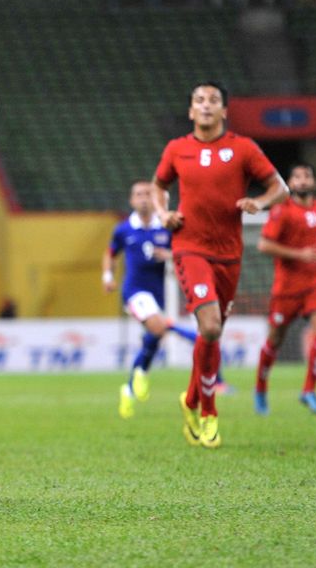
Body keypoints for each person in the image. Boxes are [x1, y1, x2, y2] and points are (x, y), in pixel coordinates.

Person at [151, 81, 288, 448]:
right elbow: (158, 186)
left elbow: (280, 188)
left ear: (225, 111)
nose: (206, 105)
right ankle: (209, 414)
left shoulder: (243, 148)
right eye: (199, 100)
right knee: (210, 326)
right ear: (191, 111)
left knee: (211, 334)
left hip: (229, 254)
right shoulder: (177, 149)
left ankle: (190, 400)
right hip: (189, 247)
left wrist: (260, 202)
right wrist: (163, 213)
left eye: (213, 100)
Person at [104, 180, 205, 419]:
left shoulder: (165, 227)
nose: (143, 199)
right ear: (132, 200)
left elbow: (183, 253)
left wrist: (168, 255)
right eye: (139, 195)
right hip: (134, 291)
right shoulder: (124, 229)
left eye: (148, 194)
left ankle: (130, 387)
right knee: (159, 326)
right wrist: (107, 276)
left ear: (156, 199)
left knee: (153, 339)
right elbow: (110, 253)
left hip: (158, 294)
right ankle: (193, 336)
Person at [254, 163, 316, 416]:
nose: (302, 180)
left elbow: (311, 240)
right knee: (275, 339)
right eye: (296, 177)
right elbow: (264, 245)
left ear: (314, 182)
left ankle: (309, 390)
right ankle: (260, 388)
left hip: (315, 282)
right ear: (289, 183)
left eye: (307, 176)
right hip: (287, 287)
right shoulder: (282, 210)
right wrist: (300, 254)